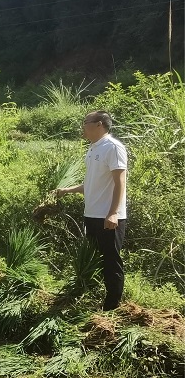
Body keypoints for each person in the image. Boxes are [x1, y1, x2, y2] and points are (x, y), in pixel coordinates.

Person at [55, 110, 128, 311]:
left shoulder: (113, 147)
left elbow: (120, 182)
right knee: (94, 257)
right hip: (92, 214)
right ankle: (93, 298)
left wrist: (113, 213)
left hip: (108, 216)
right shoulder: (93, 148)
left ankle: (112, 306)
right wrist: (67, 191)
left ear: (99, 124)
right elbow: (91, 183)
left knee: (111, 260)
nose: (83, 126)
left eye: (85, 122)